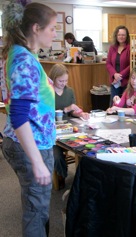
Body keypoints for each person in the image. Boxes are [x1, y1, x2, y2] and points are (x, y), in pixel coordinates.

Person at [1, 1, 57, 236]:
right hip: (31, 145)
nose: (55, 34)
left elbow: (12, 99)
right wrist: (37, 161)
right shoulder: (25, 61)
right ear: (36, 28)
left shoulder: (20, 53)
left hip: (22, 141)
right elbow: (18, 115)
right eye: (52, 28)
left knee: (35, 204)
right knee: (37, 212)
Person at [49, 63, 89, 189]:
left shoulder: (69, 91)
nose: (63, 83)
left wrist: (81, 114)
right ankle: (62, 175)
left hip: (69, 128)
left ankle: (84, 177)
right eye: (60, 81)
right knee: (57, 155)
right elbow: (47, 114)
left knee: (84, 149)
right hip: (53, 129)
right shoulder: (48, 92)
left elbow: (73, 111)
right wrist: (66, 109)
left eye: (66, 80)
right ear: (53, 78)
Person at [106, 25, 130, 106]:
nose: (121, 37)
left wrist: (120, 76)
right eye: (119, 35)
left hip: (126, 82)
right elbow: (108, 63)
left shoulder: (130, 48)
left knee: (124, 105)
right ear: (116, 36)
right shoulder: (112, 48)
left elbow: (131, 64)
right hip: (114, 82)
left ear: (127, 36)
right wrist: (114, 75)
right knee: (113, 104)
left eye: (123, 35)